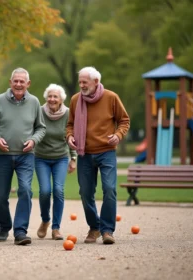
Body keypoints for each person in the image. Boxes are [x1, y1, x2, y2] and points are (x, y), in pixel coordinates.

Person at [66, 66, 130, 245]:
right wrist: (69, 136)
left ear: (96, 82)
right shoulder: (75, 100)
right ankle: (94, 227)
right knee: (86, 193)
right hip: (84, 153)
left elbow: (124, 120)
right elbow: (70, 124)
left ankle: (107, 230)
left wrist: (117, 135)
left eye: (84, 82)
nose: (81, 85)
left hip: (106, 151)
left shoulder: (111, 97)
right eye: (80, 82)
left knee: (109, 189)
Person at [0, 67, 46, 246]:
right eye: (16, 81)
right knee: (1, 195)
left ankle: (20, 231)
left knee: (25, 190)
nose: (18, 84)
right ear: (10, 83)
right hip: (2, 156)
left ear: (28, 84)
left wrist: (34, 141)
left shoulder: (34, 102)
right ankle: (4, 226)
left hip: (26, 156)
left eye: (22, 81)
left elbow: (41, 128)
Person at [35, 84, 77, 241]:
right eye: (50, 96)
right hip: (41, 157)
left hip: (60, 157)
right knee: (45, 191)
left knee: (58, 190)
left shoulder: (67, 114)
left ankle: (56, 228)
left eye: (55, 97)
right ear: (46, 98)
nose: (52, 99)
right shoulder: (38, 111)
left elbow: (71, 136)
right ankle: (45, 220)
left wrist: (73, 158)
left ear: (61, 100)